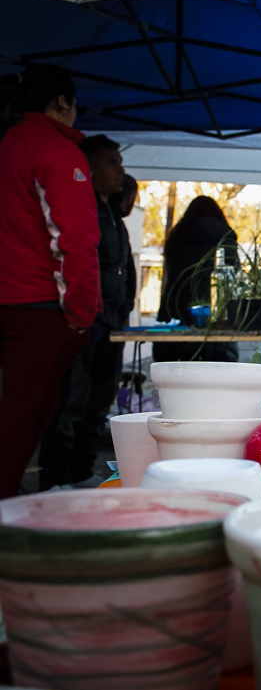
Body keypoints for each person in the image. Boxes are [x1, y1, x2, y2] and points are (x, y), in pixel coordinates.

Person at [0, 64, 100, 498]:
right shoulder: (55, 150)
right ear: (63, 102)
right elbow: (74, 237)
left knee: (22, 413)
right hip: (38, 304)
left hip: (16, 298)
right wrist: (81, 315)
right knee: (25, 415)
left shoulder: (9, 142)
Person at [38, 135, 133, 490]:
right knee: (72, 399)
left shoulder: (113, 214)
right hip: (83, 316)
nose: (120, 171)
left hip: (111, 320)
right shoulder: (82, 206)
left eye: (120, 163)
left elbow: (123, 268)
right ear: (89, 168)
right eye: (112, 163)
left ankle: (80, 472)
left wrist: (123, 309)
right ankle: (55, 479)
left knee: (100, 399)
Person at [154, 196, 239, 363]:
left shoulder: (177, 238)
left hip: (176, 317)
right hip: (216, 318)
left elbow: (171, 276)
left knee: (175, 373)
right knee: (218, 372)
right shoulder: (226, 239)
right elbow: (233, 278)